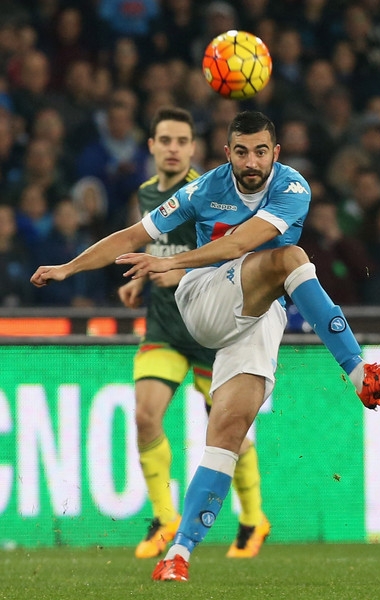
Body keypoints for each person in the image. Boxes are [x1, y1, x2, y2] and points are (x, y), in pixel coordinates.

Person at [31, 110, 380, 583]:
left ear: (275, 153)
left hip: (258, 314)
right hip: (205, 298)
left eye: (260, 152)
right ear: (227, 152)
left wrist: (171, 262)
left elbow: (241, 244)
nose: (251, 162)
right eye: (241, 152)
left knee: (227, 433)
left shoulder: (293, 187)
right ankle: (361, 375)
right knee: (292, 257)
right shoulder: (202, 190)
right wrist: (69, 267)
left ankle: (178, 554)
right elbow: (133, 236)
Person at [117, 106, 269, 559]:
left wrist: (178, 272)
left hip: (208, 331)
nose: (173, 149)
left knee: (229, 432)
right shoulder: (146, 194)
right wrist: (141, 281)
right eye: (165, 140)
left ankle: (253, 519)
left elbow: (232, 256)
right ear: (151, 146)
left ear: (194, 148)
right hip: (164, 327)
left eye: (182, 141)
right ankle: (165, 519)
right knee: (145, 416)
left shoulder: (210, 193)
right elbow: (154, 246)